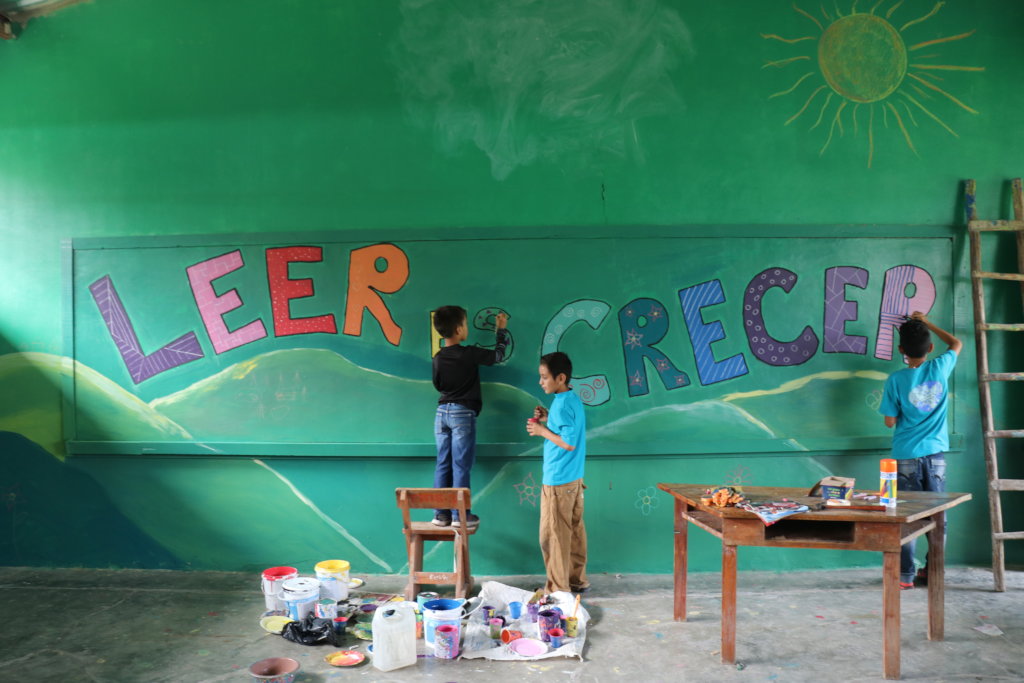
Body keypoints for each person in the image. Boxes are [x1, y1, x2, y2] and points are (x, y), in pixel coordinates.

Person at [880, 310, 962, 589]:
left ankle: (904, 575)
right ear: (930, 347)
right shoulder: (940, 367)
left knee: (905, 515)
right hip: (936, 457)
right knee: (938, 515)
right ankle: (934, 569)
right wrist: (927, 322)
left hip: (904, 457)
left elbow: (890, 421)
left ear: (901, 350)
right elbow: (956, 344)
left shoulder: (895, 380)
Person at [431, 306, 509, 529]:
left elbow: (438, 385)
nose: (467, 328)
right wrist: (500, 330)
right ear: (458, 329)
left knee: (443, 464)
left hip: (441, 414)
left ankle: (441, 514)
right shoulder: (469, 353)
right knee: (461, 466)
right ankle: (459, 516)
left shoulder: (438, 358)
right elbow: (498, 356)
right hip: (462, 413)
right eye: (465, 324)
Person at [526, 351, 589, 594]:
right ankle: (576, 580)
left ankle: (556, 589)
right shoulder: (570, 399)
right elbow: (566, 428)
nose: (541, 382)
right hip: (573, 479)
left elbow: (568, 442)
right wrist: (549, 418)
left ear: (560, 378)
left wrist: (542, 431)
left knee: (553, 536)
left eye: (544, 377)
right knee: (573, 533)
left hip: (558, 481)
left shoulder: (562, 404)